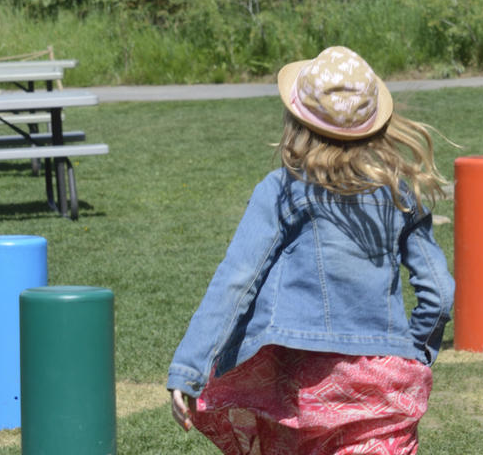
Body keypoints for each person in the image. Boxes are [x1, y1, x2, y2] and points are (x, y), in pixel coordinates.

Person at [166, 46, 456, 454]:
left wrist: (189, 368)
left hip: (301, 386)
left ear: (297, 120)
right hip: (385, 382)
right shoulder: (400, 196)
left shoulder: (281, 191)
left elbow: (237, 280)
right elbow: (440, 292)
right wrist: (414, 352)